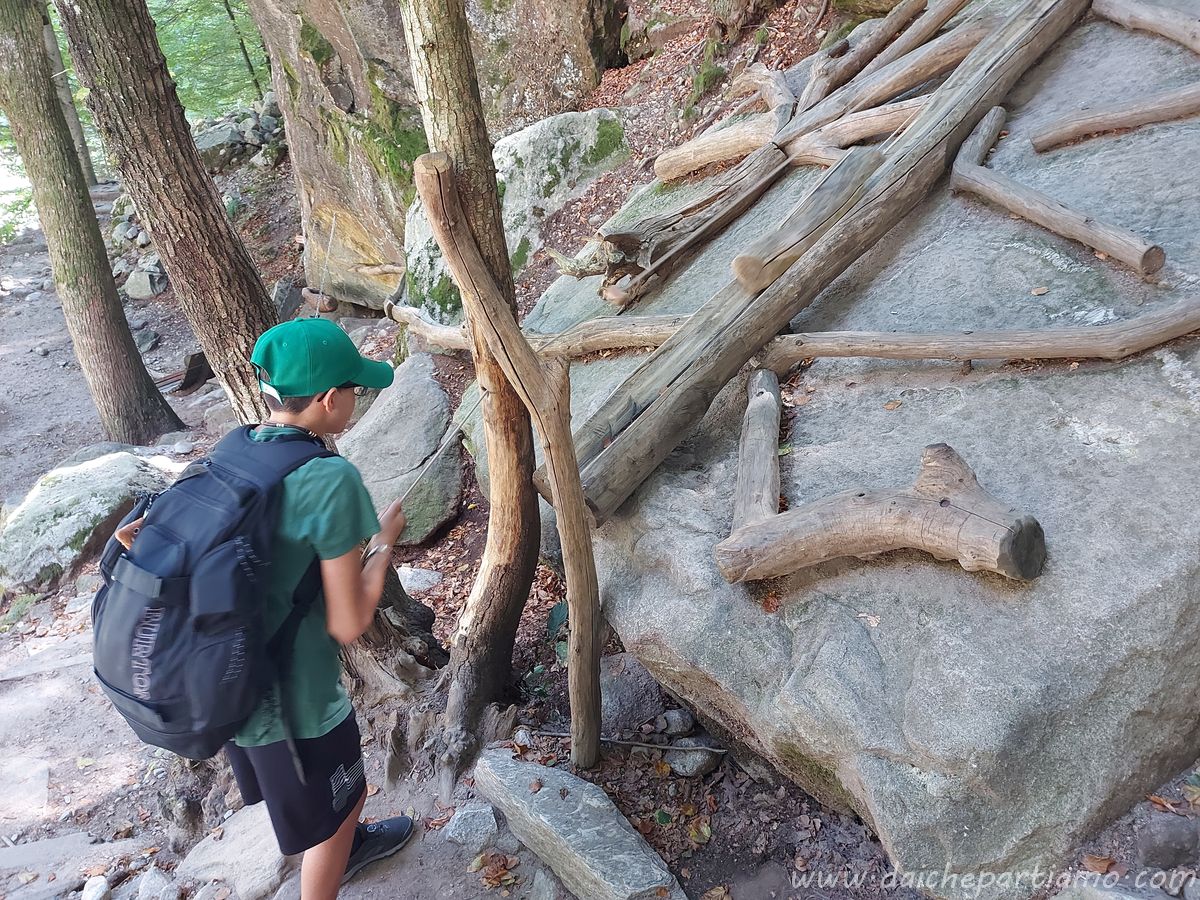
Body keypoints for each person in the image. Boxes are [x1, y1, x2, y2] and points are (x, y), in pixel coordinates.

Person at [122, 318, 415, 897]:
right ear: (331, 400)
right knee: (344, 797)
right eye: (354, 390)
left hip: (226, 679)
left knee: (314, 801)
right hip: (297, 701)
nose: (356, 399)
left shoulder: (237, 449)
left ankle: (343, 843)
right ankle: (334, 862)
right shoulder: (329, 479)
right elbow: (349, 621)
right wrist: (383, 545)